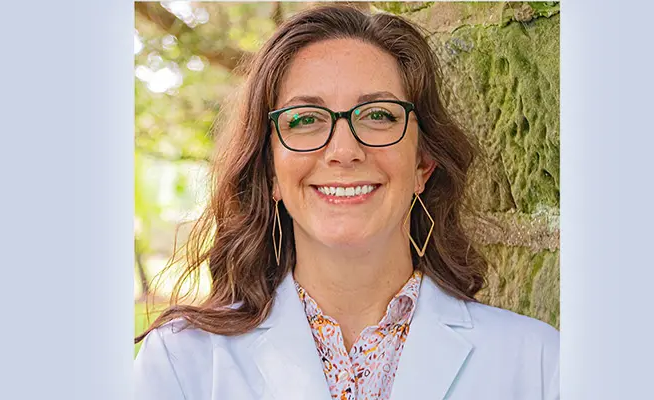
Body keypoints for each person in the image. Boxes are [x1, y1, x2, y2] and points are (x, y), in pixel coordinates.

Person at [134, 5, 559, 400]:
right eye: (304, 120)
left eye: (377, 115)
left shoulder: (540, 363)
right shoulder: (181, 363)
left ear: (423, 164)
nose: (343, 150)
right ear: (270, 172)